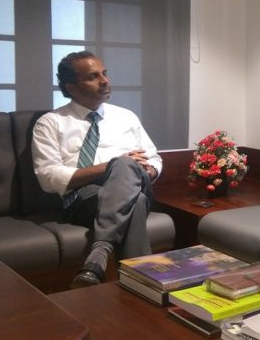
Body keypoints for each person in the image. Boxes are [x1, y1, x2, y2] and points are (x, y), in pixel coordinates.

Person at [32, 51, 162, 289]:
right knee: (136, 199)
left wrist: (148, 170)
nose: (104, 81)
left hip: (134, 182)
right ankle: (144, 289)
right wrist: (110, 166)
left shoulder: (126, 116)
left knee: (126, 167)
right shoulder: (51, 122)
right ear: (71, 87)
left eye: (104, 73)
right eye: (93, 77)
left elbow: (154, 158)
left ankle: (100, 252)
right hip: (84, 197)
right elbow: (48, 176)